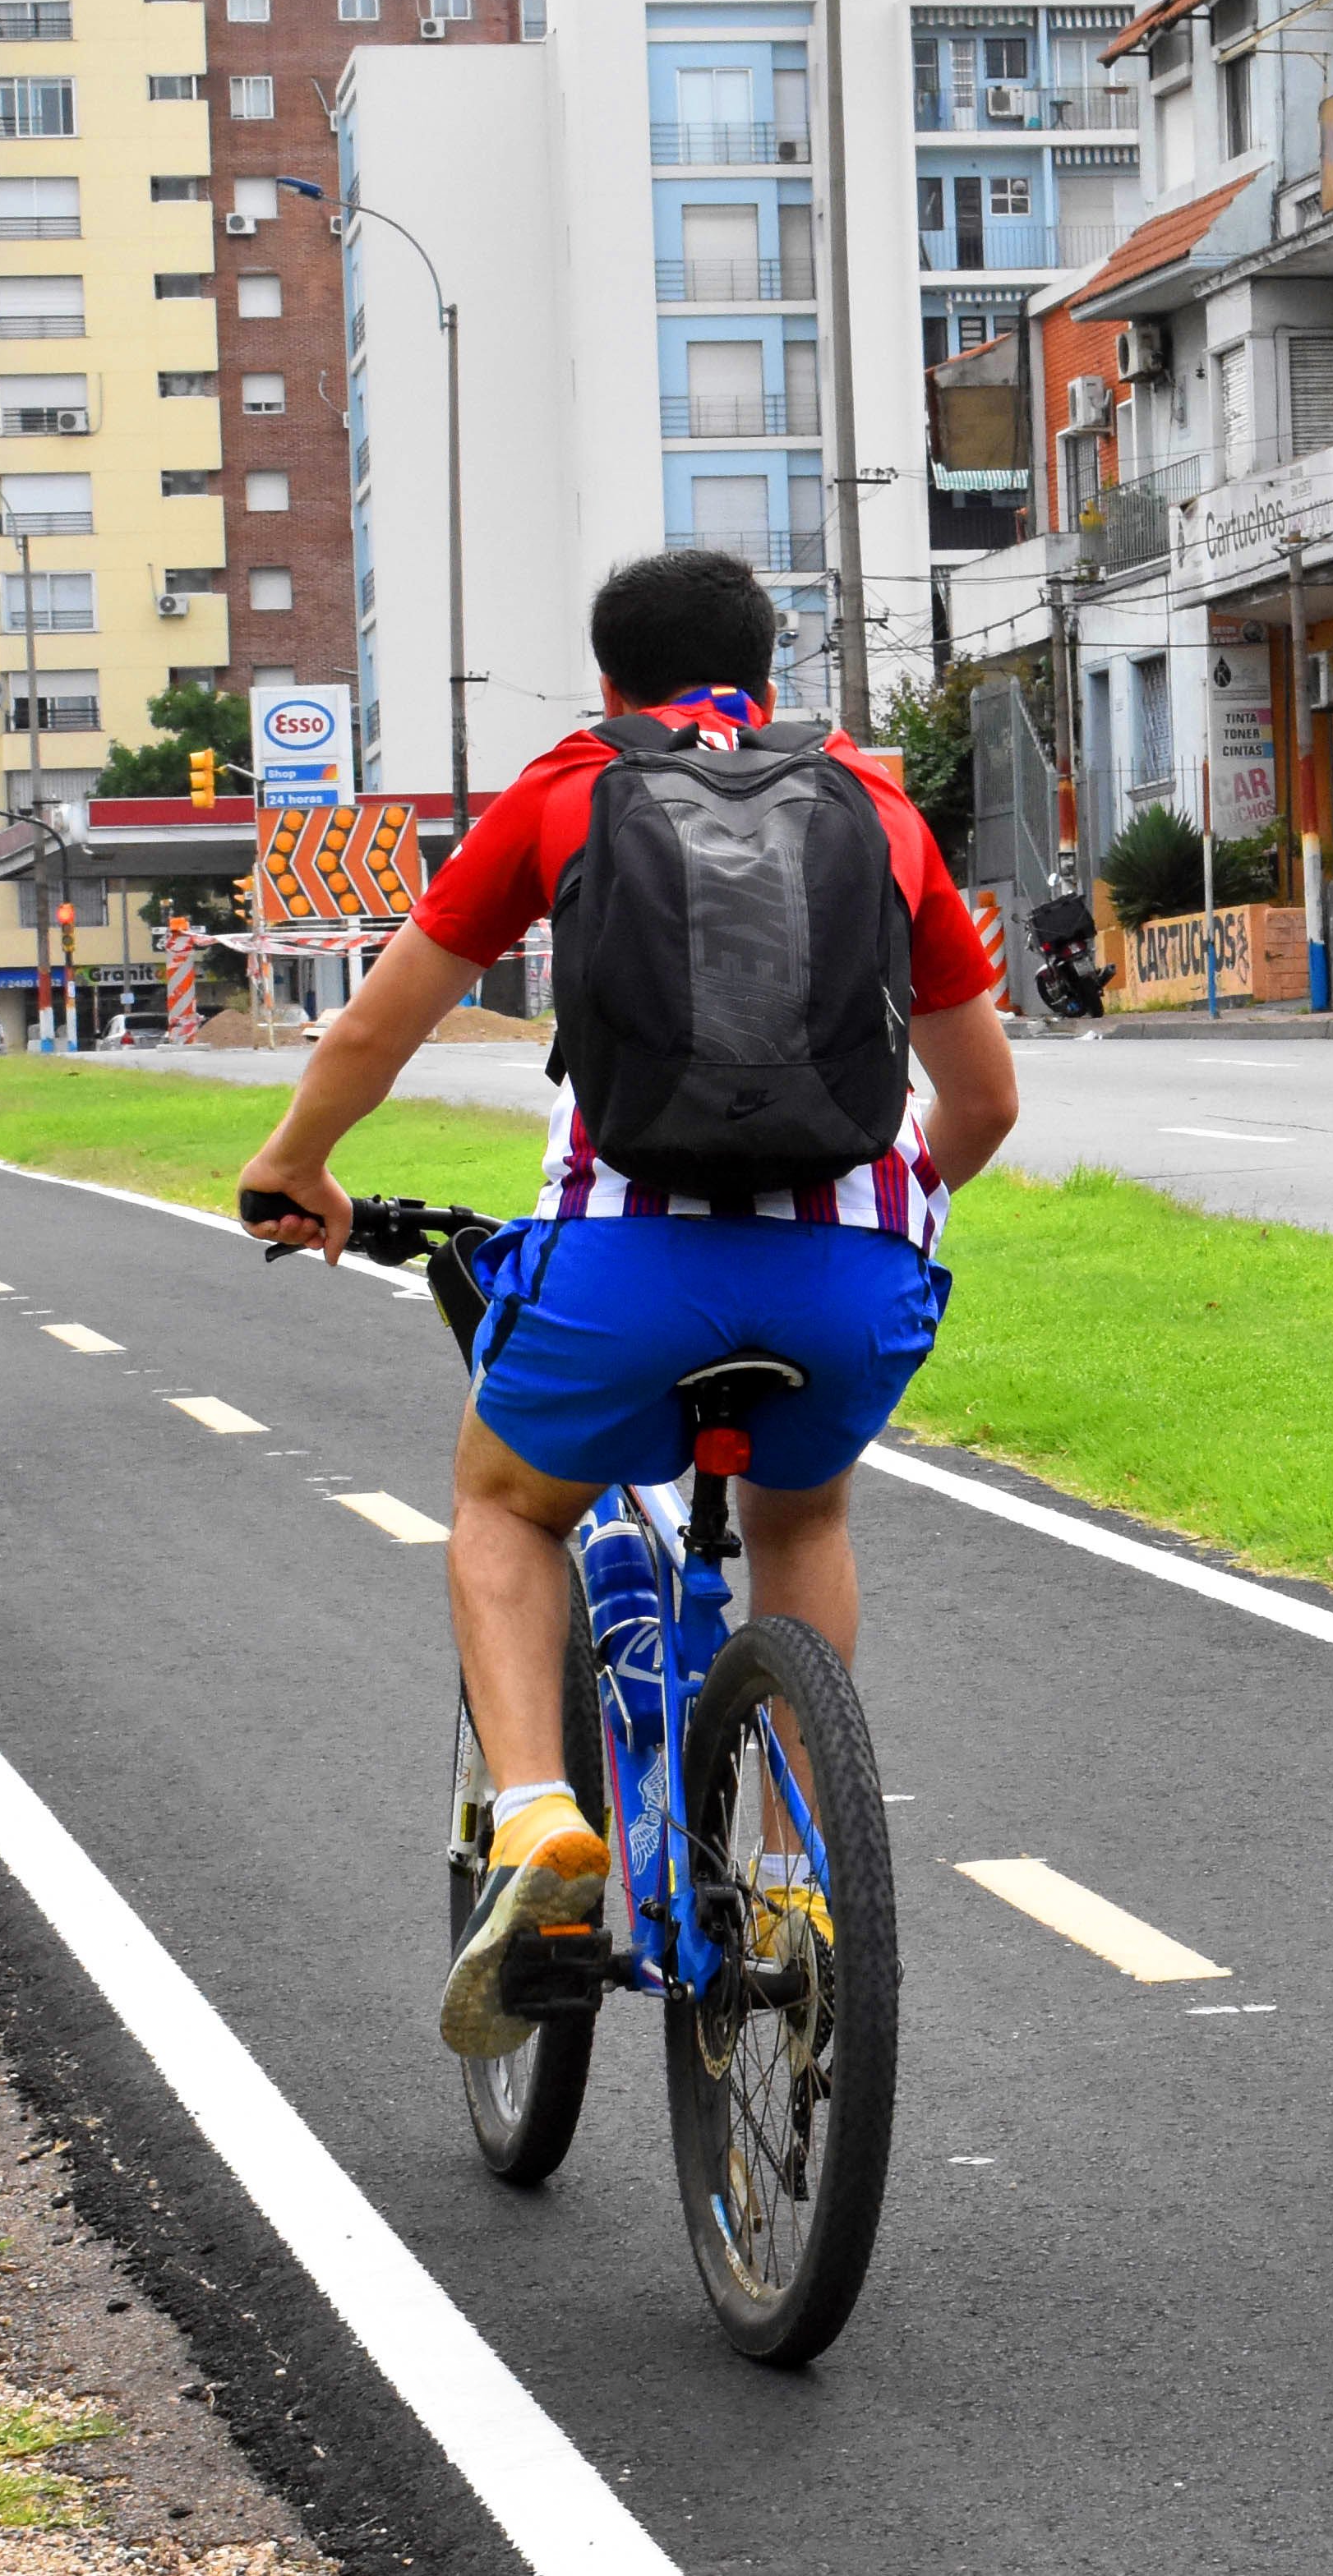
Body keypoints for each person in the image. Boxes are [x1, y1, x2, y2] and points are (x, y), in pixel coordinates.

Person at [236, 550, 1021, 2056]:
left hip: (624, 1262)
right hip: (846, 1282)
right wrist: (877, 1209)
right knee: (804, 1518)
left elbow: (377, 1022)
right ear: (772, 673)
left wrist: (295, 1163)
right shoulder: (874, 800)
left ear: (607, 682)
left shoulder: (566, 790)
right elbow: (980, 1100)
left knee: (506, 1504)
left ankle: (537, 1822)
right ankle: (792, 1877)